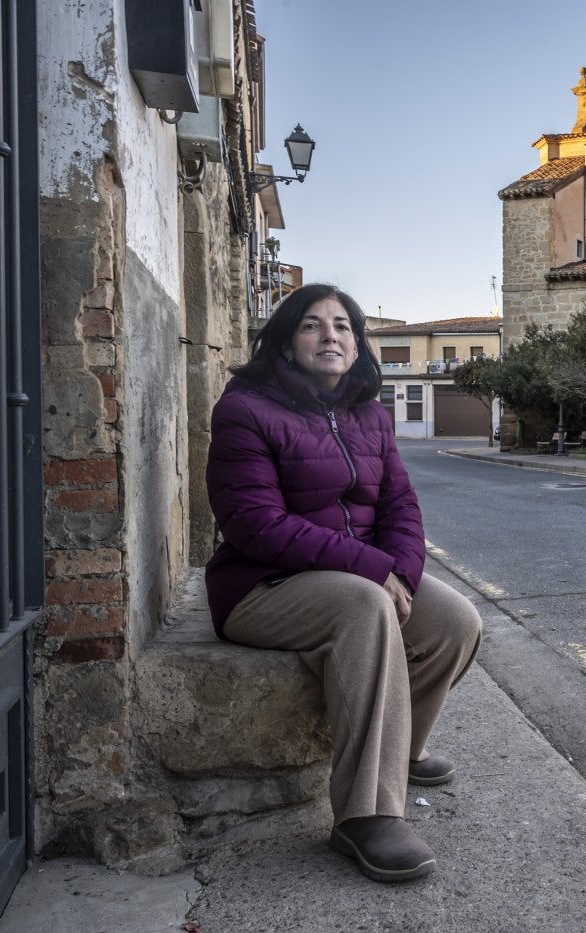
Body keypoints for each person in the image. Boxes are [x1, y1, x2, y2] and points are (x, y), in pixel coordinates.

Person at [204, 283, 481, 883]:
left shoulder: (370, 415)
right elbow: (254, 523)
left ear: (356, 347)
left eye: (342, 326)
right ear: (284, 340)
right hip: (263, 586)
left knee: (457, 621)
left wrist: (400, 571)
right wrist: (372, 572)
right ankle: (367, 816)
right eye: (311, 324)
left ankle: (399, 750)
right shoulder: (244, 409)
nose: (330, 335)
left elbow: (400, 507)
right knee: (364, 606)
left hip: (354, 576)